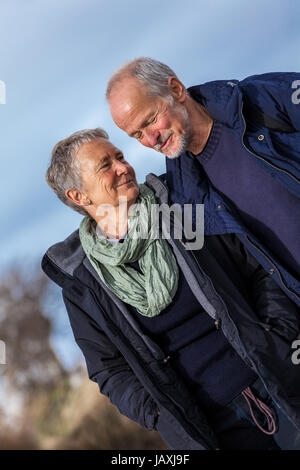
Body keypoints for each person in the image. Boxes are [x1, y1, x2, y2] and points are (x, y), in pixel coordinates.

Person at [42, 127, 300, 450]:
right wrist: (158, 413)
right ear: (79, 196)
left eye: (119, 156)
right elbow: (109, 370)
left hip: (279, 377)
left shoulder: (179, 205)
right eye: (105, 165)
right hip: (212, 429)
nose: (122, 167)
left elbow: (257, 266)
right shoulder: (83, 283)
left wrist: (280, 334)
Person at [106, 58, 300, 311]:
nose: (151, 139)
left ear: (176, 89)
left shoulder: (262, 99)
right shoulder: (185, 197)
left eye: (150, 120)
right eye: (137, 135)